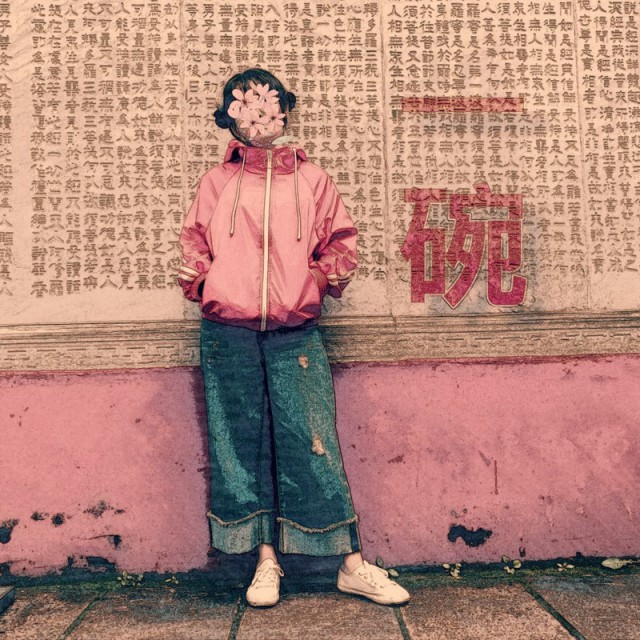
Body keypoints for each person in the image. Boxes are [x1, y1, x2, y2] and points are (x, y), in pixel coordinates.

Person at [177, 68, 409, 608]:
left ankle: (351, 564)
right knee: (241, 446)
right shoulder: (216, 182)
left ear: (283, 111)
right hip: (227, 334)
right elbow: (193, 244)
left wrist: (315, 284)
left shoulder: (313, 180)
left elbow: (342, 245)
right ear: (231, 115)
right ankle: (265, 562)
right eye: (248, 105)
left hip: (295, 332)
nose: (261, 116)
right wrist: (207, 285)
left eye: (270, 103)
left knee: (312, 440)